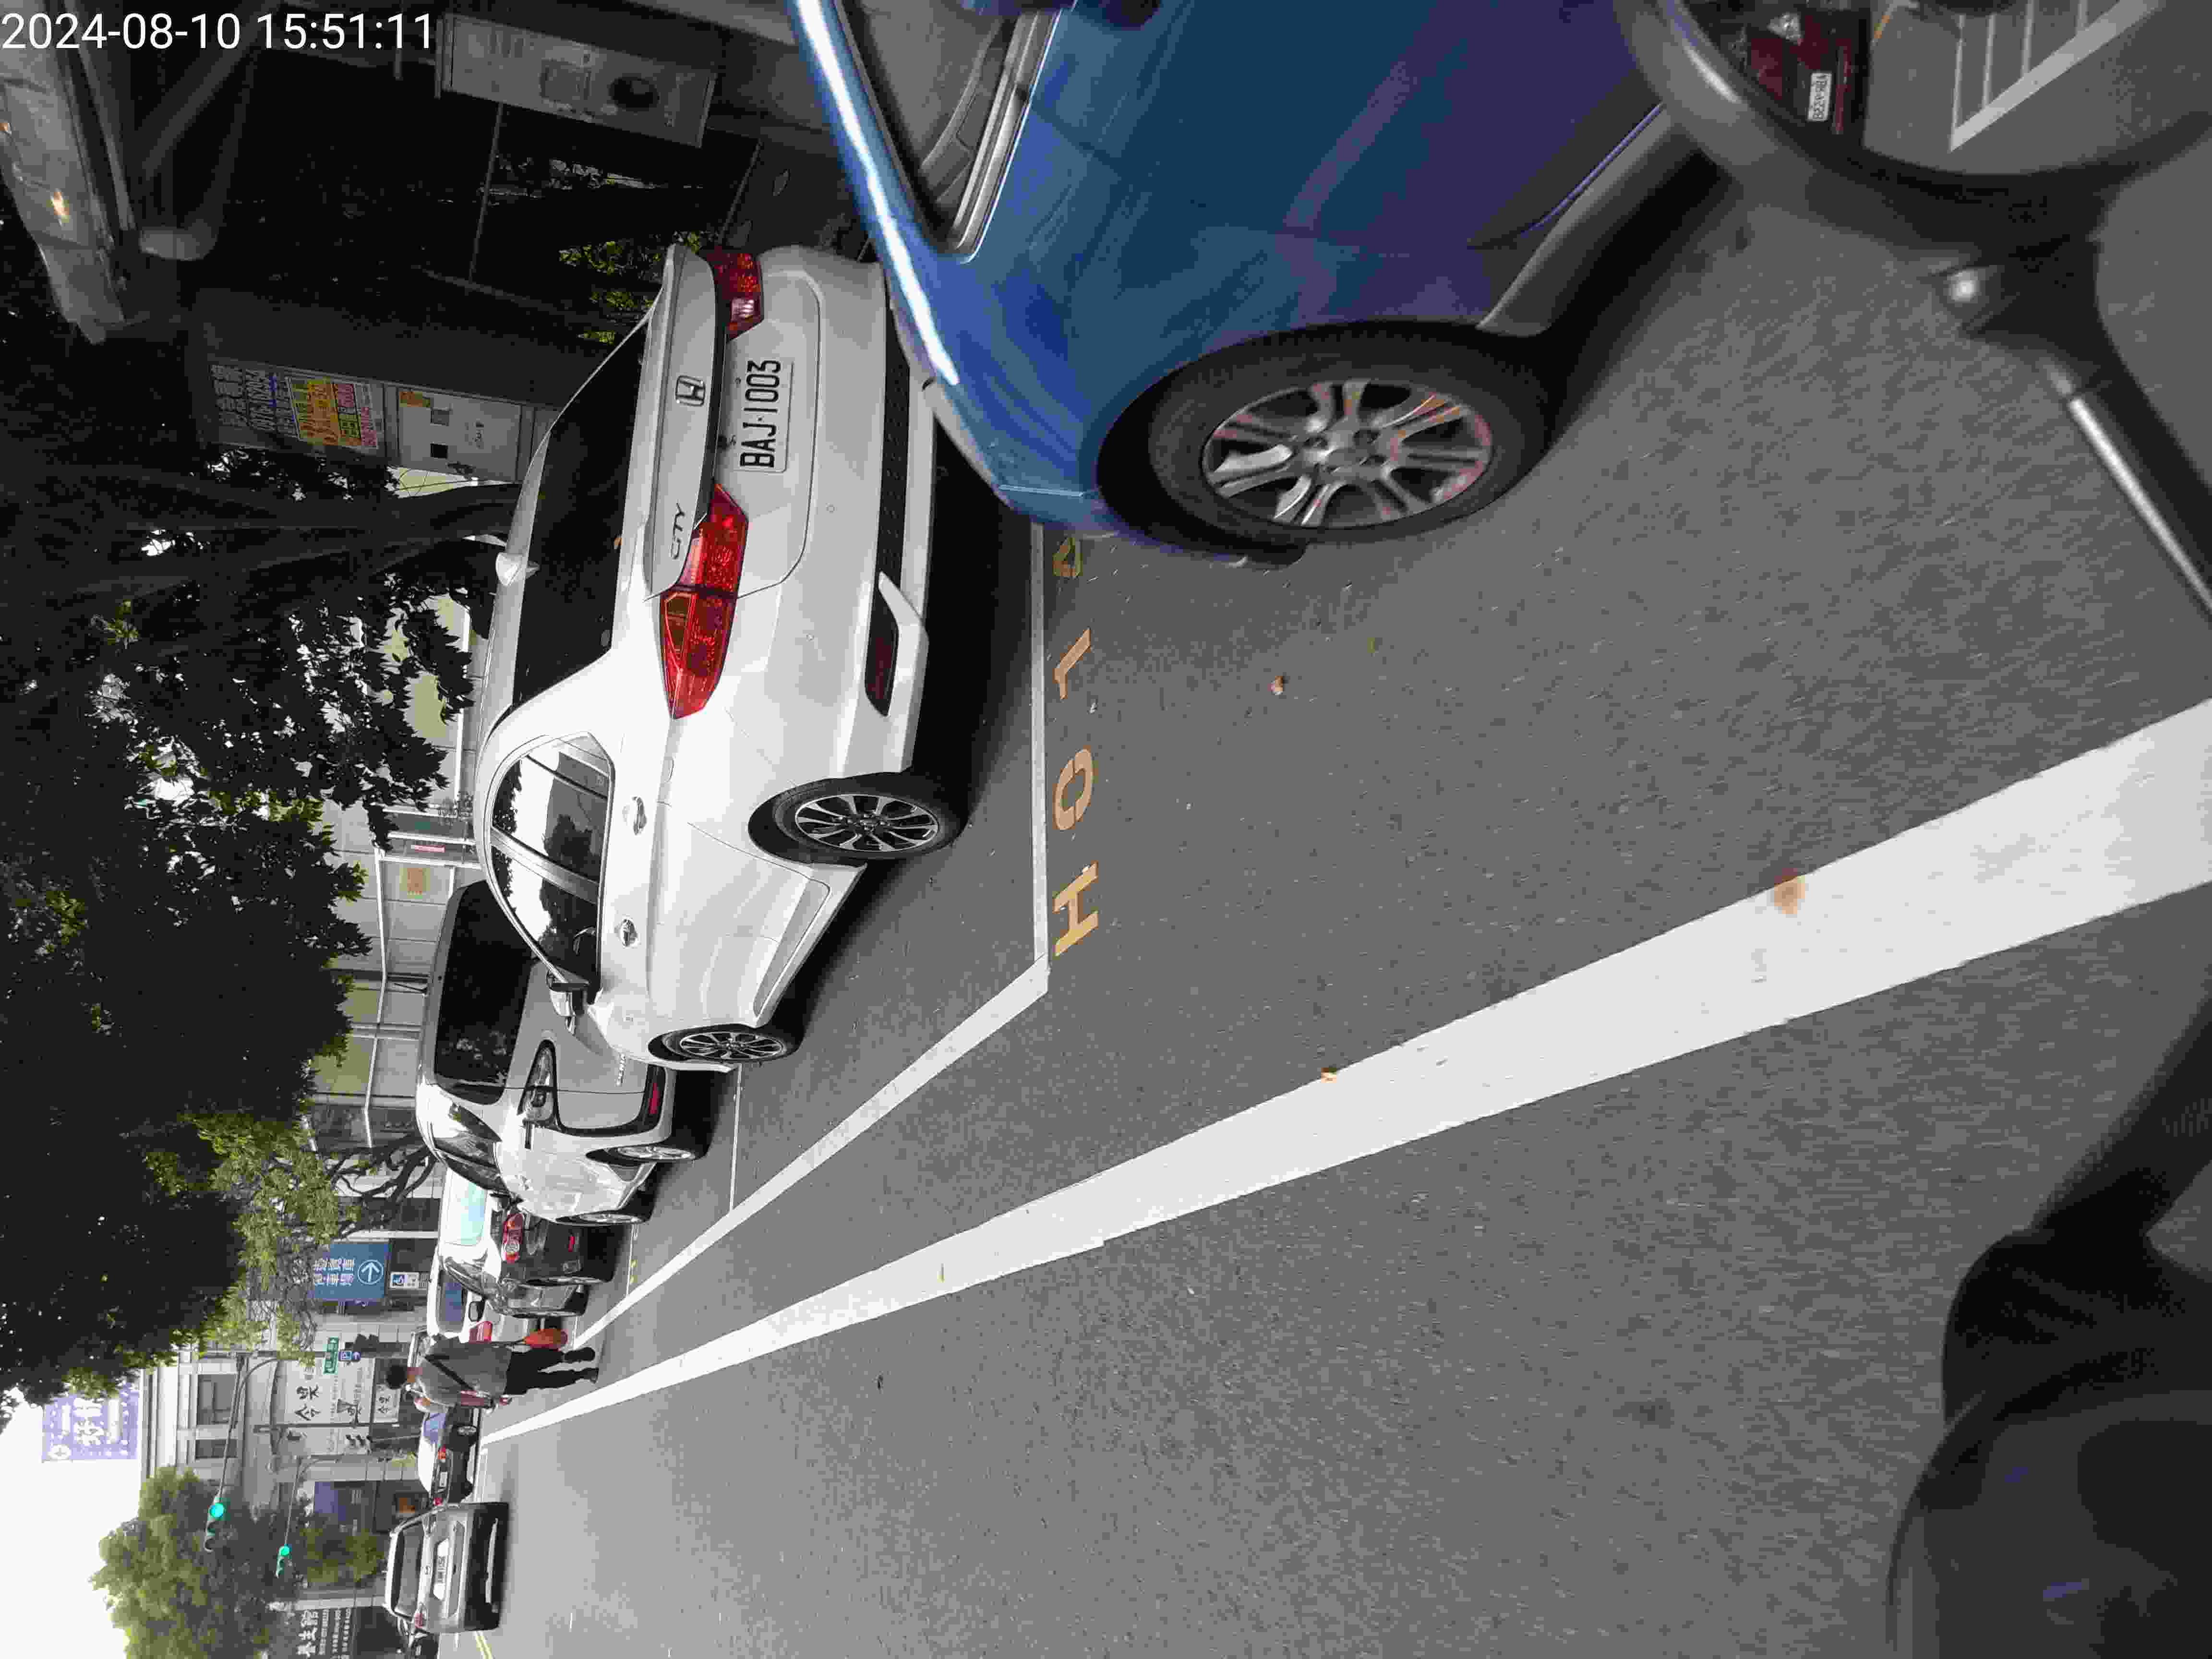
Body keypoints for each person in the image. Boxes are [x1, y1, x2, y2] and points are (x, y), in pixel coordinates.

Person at [383, 1335, 600, 1411]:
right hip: (496, 1358)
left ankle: (583, 1375)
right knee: (532, 1360)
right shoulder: (433, 1351)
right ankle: (563, 1357)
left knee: (541, 1382)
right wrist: (496, 1345)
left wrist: (490, 1402)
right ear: (405, 1367)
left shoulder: (431, 1392)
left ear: (404, 1383)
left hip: (494, 1383)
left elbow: (463, 1399)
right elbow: (469, 1344)